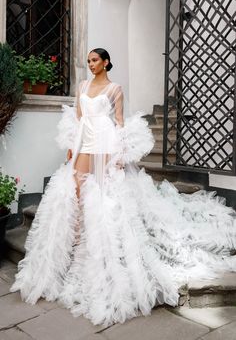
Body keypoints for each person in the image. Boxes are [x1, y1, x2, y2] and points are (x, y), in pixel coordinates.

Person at [11, 48, 236, 326]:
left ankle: (98, 248)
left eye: (95, 60)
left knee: (102, 194)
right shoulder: (83, 85)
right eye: (89, 61)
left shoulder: (115, 88)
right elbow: (79, 118)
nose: (91, 64)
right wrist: (72, 146)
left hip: (105, 143)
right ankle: (78, 242)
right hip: (86, 141)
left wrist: (118, 155)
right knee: (75, 189)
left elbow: (118, 122)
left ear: (106, 62)